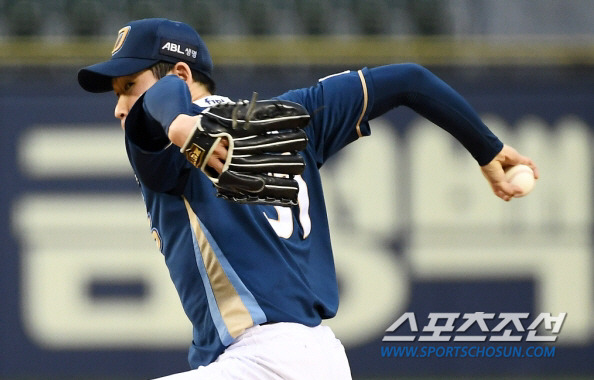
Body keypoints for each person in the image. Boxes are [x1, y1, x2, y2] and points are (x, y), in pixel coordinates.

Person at [77, 18, 538, 380]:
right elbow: (408, 80)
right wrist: (488, 149)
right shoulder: (293, 117)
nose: (120, 106)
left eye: (128, 87)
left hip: (261, 361)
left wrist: (180, 123)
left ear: (179, 71)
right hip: (321, 359)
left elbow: (166, 103)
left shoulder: (161, 135)